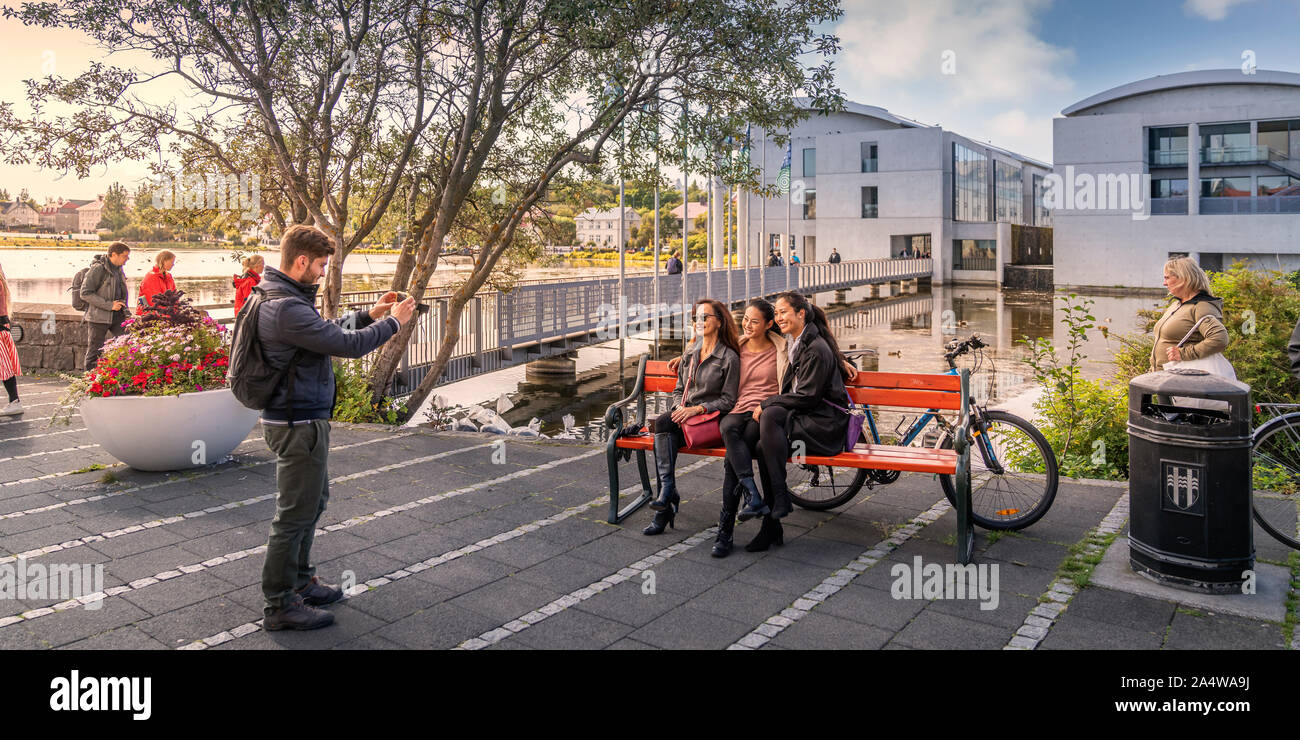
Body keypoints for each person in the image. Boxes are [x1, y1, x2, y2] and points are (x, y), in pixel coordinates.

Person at [255, 224, 416, 630]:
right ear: (302, 260)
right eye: (322, 265)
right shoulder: (285, 307)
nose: (324, 272)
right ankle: (279, 604)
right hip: (297, 422)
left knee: (313, 501)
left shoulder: (283, 297)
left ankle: (300, 580)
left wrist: (369, 314)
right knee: (293, 513)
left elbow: (326, 333)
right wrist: (394, 324)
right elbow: (346, 345)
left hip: (302, 418)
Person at [752, 292, 854, 549]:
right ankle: (773, 520)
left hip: (825, 426)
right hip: (809, 419)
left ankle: (777, 503)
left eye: (783, 312)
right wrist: (692, 350)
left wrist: (767, 402)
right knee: (761, 444)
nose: (778, 318)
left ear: (801, 313)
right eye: (776, 313)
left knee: (770, 420)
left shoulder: (814, 348)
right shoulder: (799, 339)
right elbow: (751, 325)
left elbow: (807, 397)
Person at [643, 298, 740, 536]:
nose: (700, 321)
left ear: (719, 322)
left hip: (711, 422)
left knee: (665, 429)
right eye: (696, 317)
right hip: (686, 420)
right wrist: (679, 408)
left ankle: (666, 501)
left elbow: (729, 400)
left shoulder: (729, 357)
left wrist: (697, 409)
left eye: (705, 317)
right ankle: (667, 494)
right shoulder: (691, 353)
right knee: (665, 423)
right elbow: (678, 390)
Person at [1149, 257, 1228, 372]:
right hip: (1163, 375)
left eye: (1167, 278)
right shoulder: (1177, 304)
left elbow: (1219, 339)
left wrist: (1183, 354)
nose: (1164, 283)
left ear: (1184, 279)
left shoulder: (1201, 306)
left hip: (1182, 377)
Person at [81, 242, 131, 370]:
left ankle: (118, 375)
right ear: (114, 254)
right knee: (94, 351)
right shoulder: (98, 269)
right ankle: (90, 382)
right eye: (125, 256)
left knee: (128, 343)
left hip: (118, 315)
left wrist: (127, 312)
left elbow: (121, 293)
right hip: (98, 317)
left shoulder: (119, 269)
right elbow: (85, 293)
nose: (127, 260)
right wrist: (109, 305)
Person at [0, 261, 23, 416]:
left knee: (4, 366)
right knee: (4, 366)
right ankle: (14, 401)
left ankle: (14, 401)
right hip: (3, 326)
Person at [136, 250, 176, 314]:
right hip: (151, 315)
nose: (173, 264)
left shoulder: (168, 276)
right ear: (164, 261)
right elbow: (153, 301)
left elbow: (174, 296)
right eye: (172, 262)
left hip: (165, 313)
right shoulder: (151, 277)